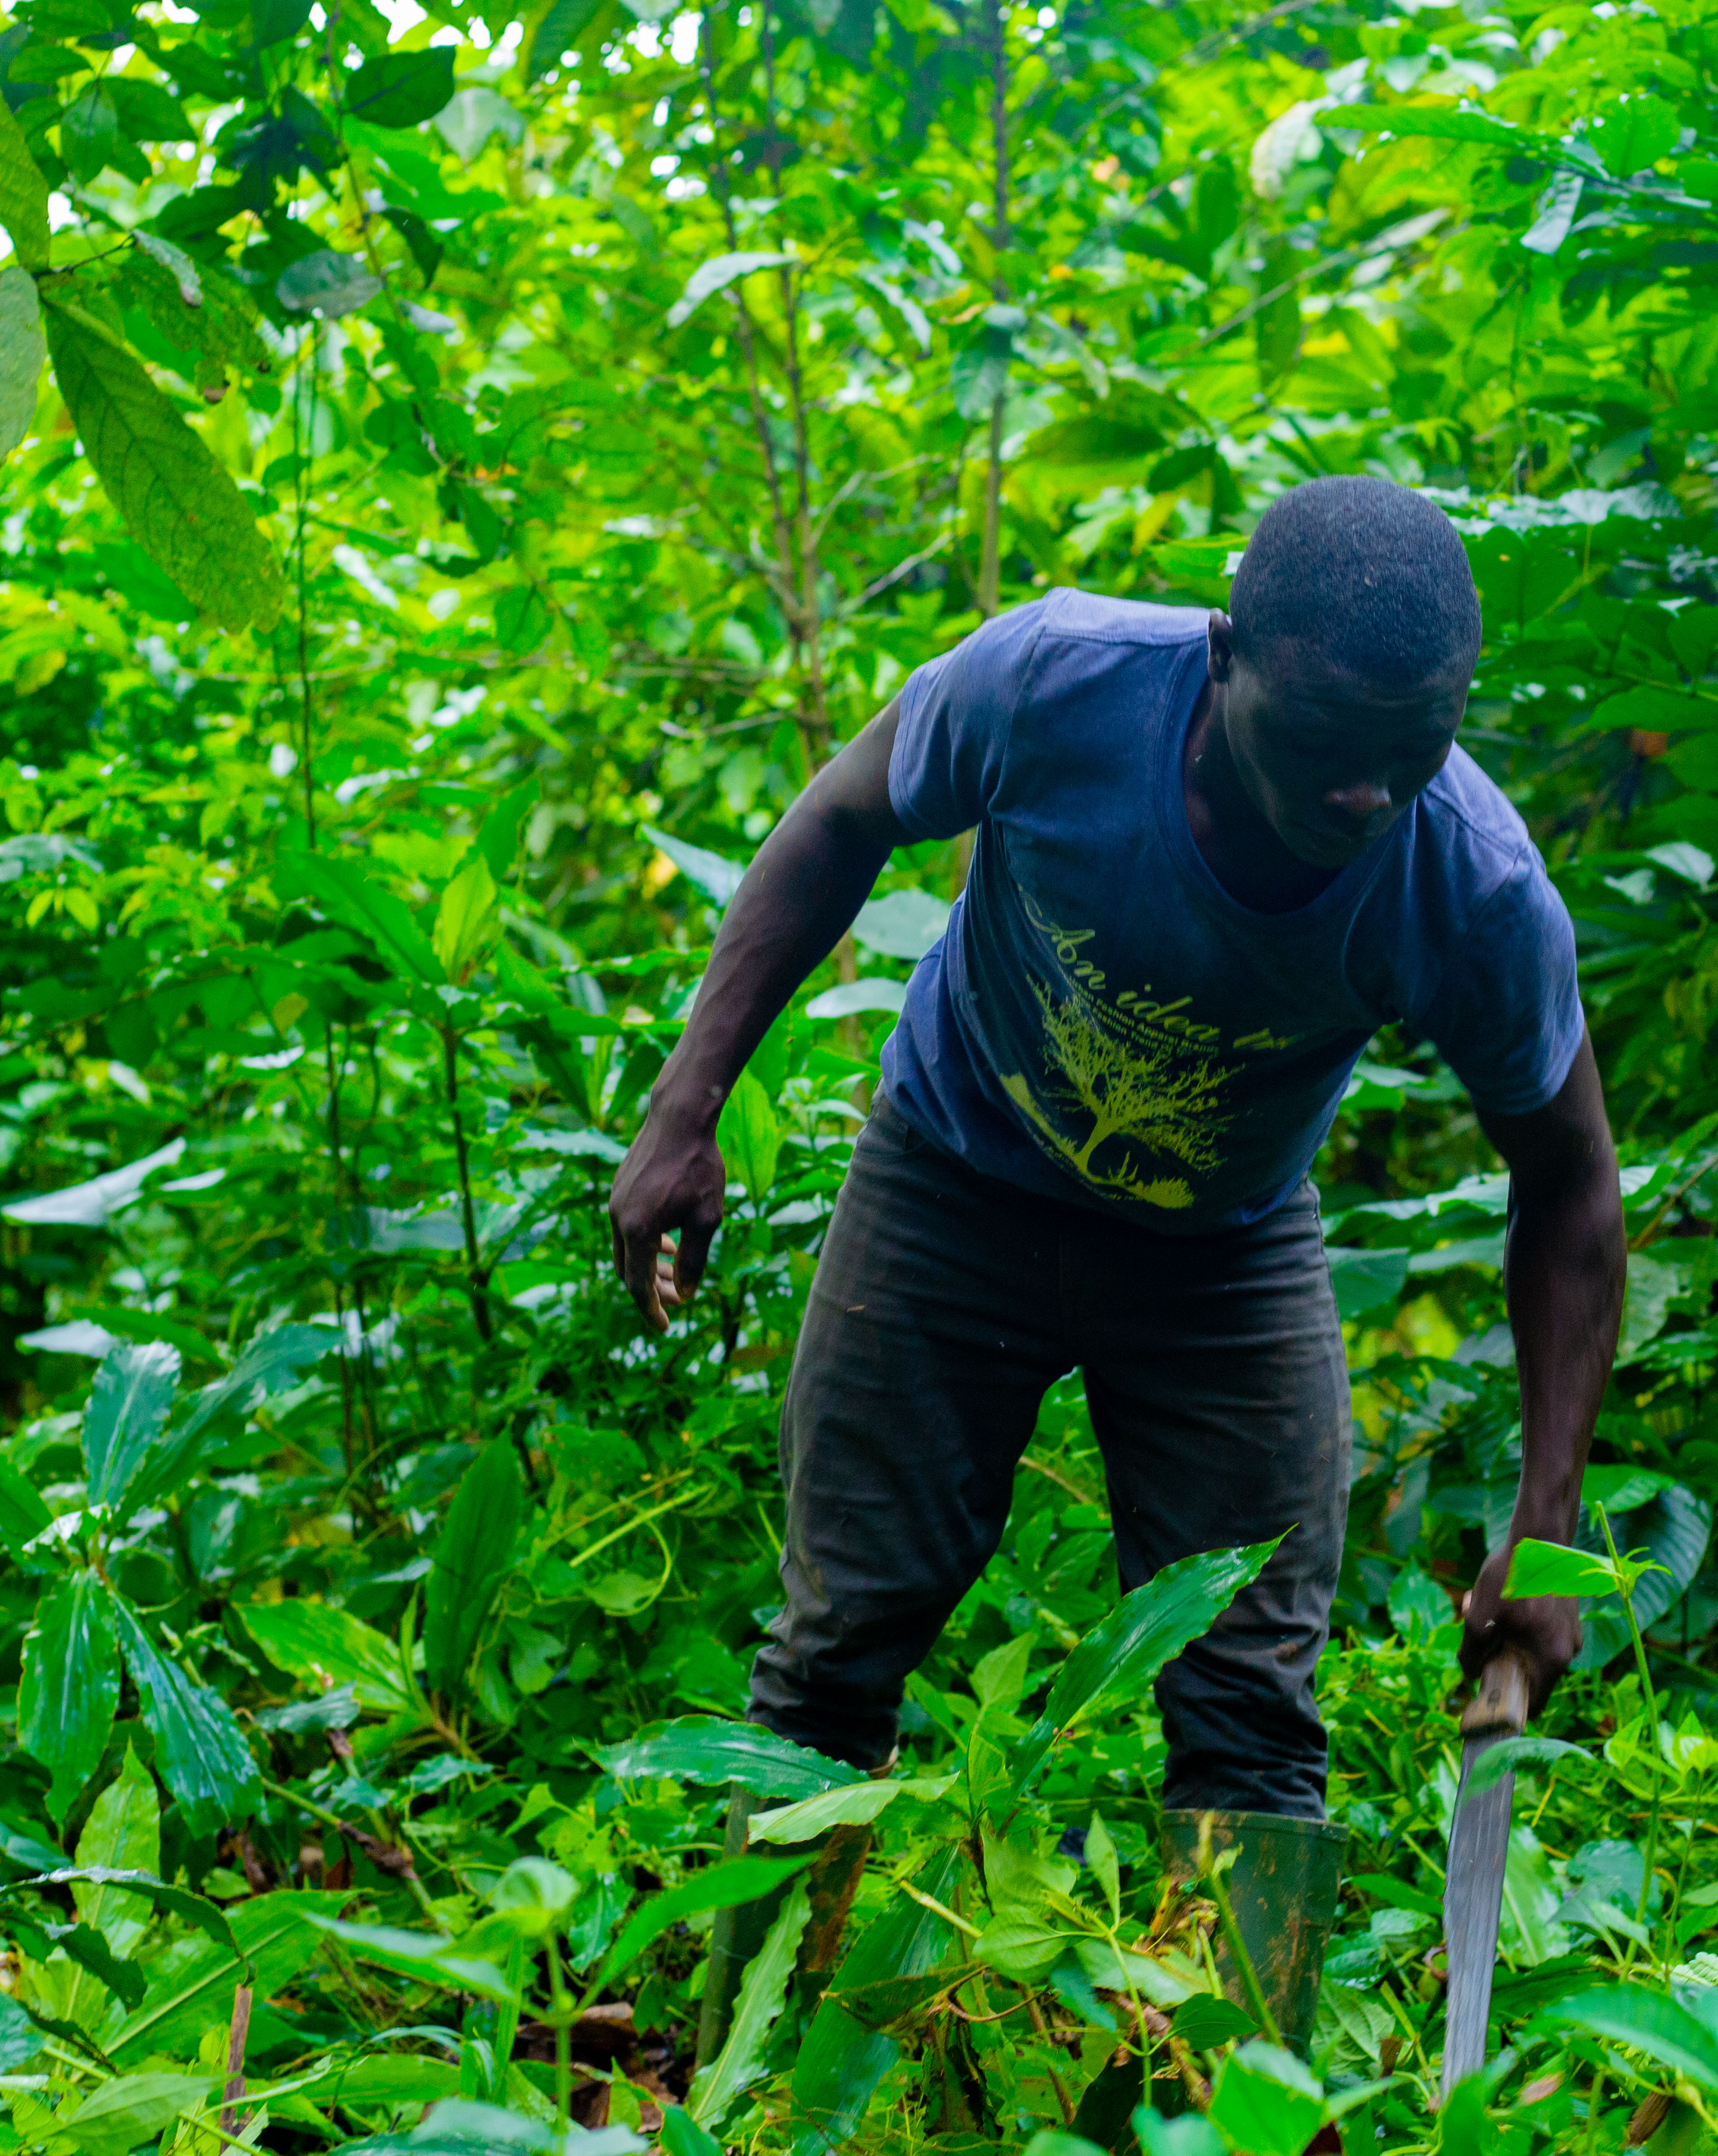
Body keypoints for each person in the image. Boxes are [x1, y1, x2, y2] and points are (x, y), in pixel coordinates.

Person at [607, 475, 1624, 2049]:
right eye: (1326, 743)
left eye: (1411, 753)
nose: (1367, 795)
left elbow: (1569, 1185)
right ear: (1226, 659)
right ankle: (753, 2069)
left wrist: (1544, 1530)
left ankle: (1239, 2120)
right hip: (955, 1177)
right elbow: (843, 818)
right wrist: (687, 1106)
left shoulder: (1470, 884)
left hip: (1225, 1252)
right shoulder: (1056, 686)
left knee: (1253, 1703)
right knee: (837, 1648)